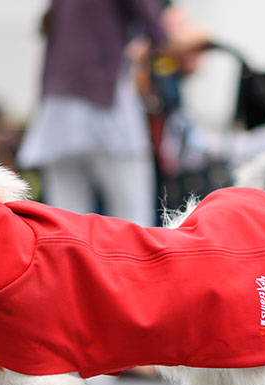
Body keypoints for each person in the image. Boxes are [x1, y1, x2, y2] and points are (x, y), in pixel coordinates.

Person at [16, 0, 207, 227]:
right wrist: (203, 37)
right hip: (104, 106)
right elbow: (160, 35)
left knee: (65, 224)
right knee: (132, 217)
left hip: (56, 109)